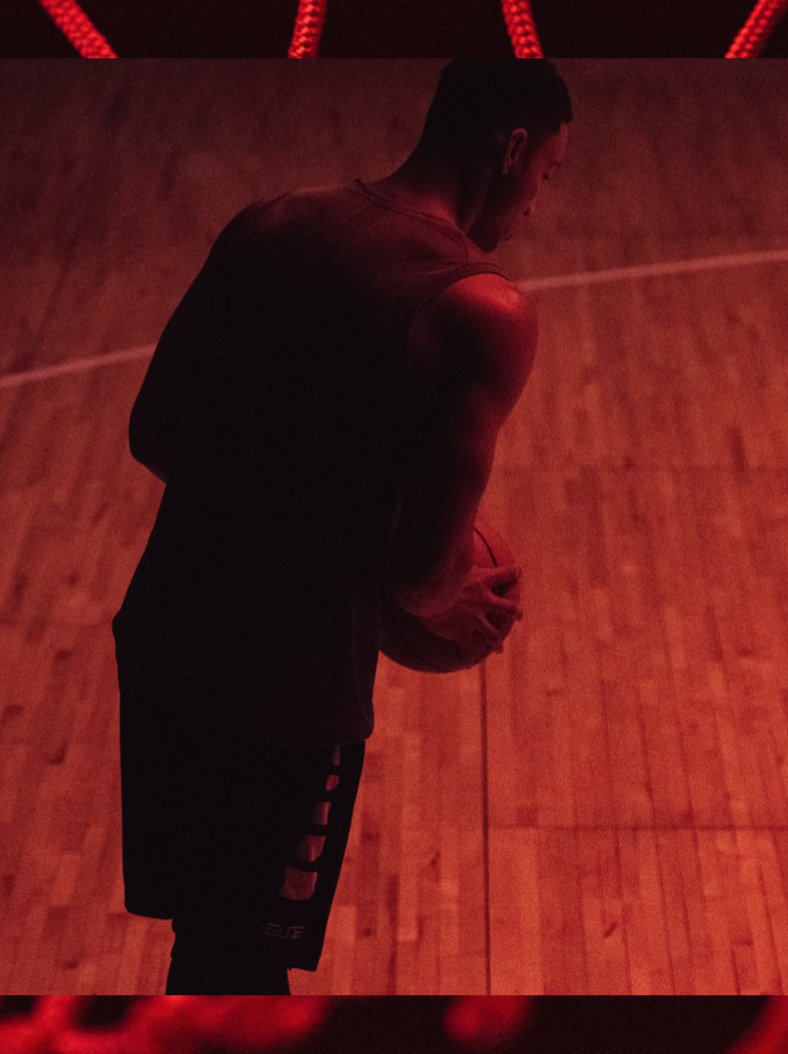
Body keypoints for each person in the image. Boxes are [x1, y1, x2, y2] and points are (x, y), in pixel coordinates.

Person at [114, 58, 572, 994]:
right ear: (511, 148)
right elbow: (420, 576)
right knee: (241, 967)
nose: (535, 202)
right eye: (545, 174)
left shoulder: (271, 223)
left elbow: (153, 431)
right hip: (291, 691)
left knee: (203, 945)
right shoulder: (482, 312)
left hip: (165, 644)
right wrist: (449, 604)